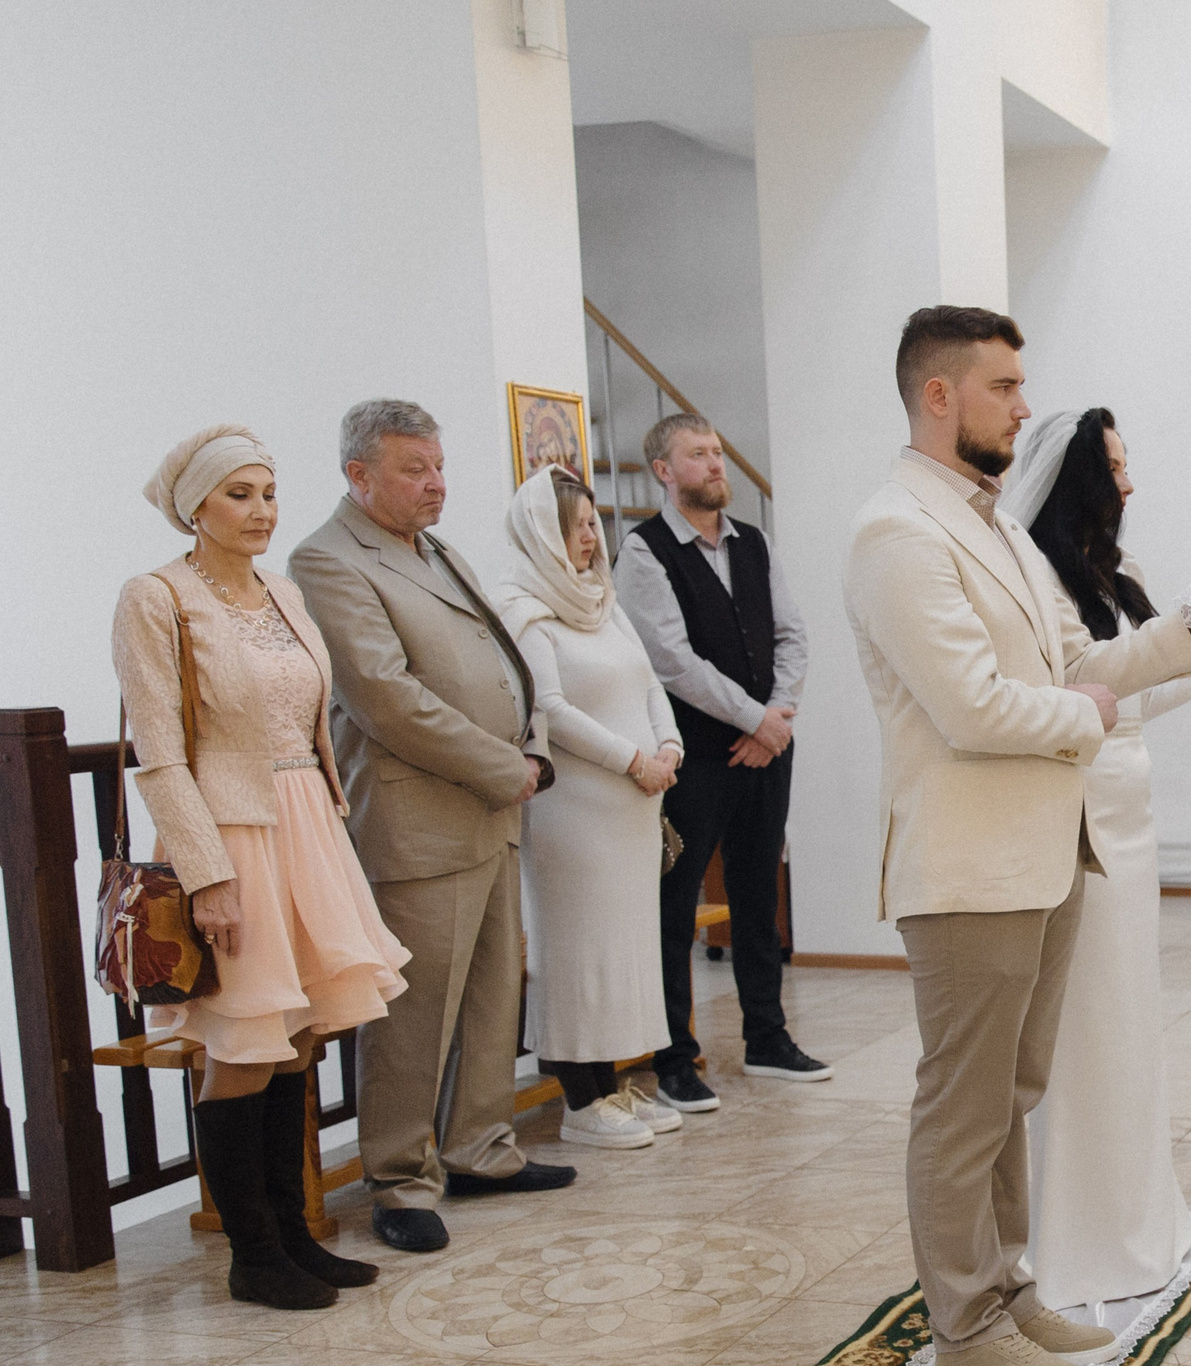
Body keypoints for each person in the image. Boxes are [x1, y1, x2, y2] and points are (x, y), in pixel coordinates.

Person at [842, 305, 1191, 1366]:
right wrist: (1090, 712)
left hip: (1044, 848)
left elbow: (1082, 658)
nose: (1026, 407)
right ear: (938, 396)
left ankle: (1007, 1288)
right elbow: (973, 708)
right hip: (969, 862)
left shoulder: (993, 529)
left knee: (1012, 1091)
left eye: (1022, 387)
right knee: (962, 1100)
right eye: (1004, 387)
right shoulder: (899, 533)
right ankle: (965, 1322)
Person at [112, 425, 409, 1309]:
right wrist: (207, 874)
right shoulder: (155, 597)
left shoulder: (281, 591)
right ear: (193, 505)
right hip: (231, 833)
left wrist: (323, 816)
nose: (260, 511)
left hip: (307, 823)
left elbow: (310, 717)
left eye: (268, 492)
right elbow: (160, 754)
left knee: (299, 1037)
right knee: (242, 1043)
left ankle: (294, 1231)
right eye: (238, 494)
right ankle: (252, 1253)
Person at [291, 400, 577, 1254]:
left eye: (439, 467)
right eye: (415, 470)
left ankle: (479, 1146)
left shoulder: (439, 548)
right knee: (413, 1016)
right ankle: (399, 1176)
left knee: (494, 993)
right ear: (359, 475)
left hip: (491, 805)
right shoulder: (329, 559)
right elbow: (387, 699)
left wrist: (527, 742)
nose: (436, 484)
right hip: (419, 818)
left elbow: (493, 657)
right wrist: (504, 765)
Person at [999, 409, 1191, 1309]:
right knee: (1085, 1026)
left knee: (1130, 1023)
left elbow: (1148, 696)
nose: (1131, 482)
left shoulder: (1120, 574)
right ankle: (1080, 1236)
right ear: (1076, 477)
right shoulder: (1033, 577)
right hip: (1075, 812)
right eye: (1114, 466)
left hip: (1132, 807)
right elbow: (1077, 690)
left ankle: (1137, 1214)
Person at [615, 413, 826, 1114]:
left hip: (766, 751)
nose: (714, 464)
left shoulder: (754, 544)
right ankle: (675, 1055)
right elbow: (671, 658)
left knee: (758, 898)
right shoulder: (643, 552)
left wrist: (777, 718)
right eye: (696, 455)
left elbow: (793, 634)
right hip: (695, 759)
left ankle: (768, 1037)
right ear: (664, 472)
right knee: (676, 908)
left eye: (716, 452)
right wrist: (753, 717)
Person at [491, 465, 686, 1148]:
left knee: (624, 948)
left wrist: (668, 745)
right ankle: (580, 1095)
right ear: (542, 534)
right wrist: (631, 759)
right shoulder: (525, 610)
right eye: (574, 528)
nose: (588, 539)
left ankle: (612, 1083)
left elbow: (649, 681)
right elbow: (549, 709)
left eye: (591, 524)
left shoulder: (602, 601)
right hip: (574, 812)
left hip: (633, 808)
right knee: (579, 950)